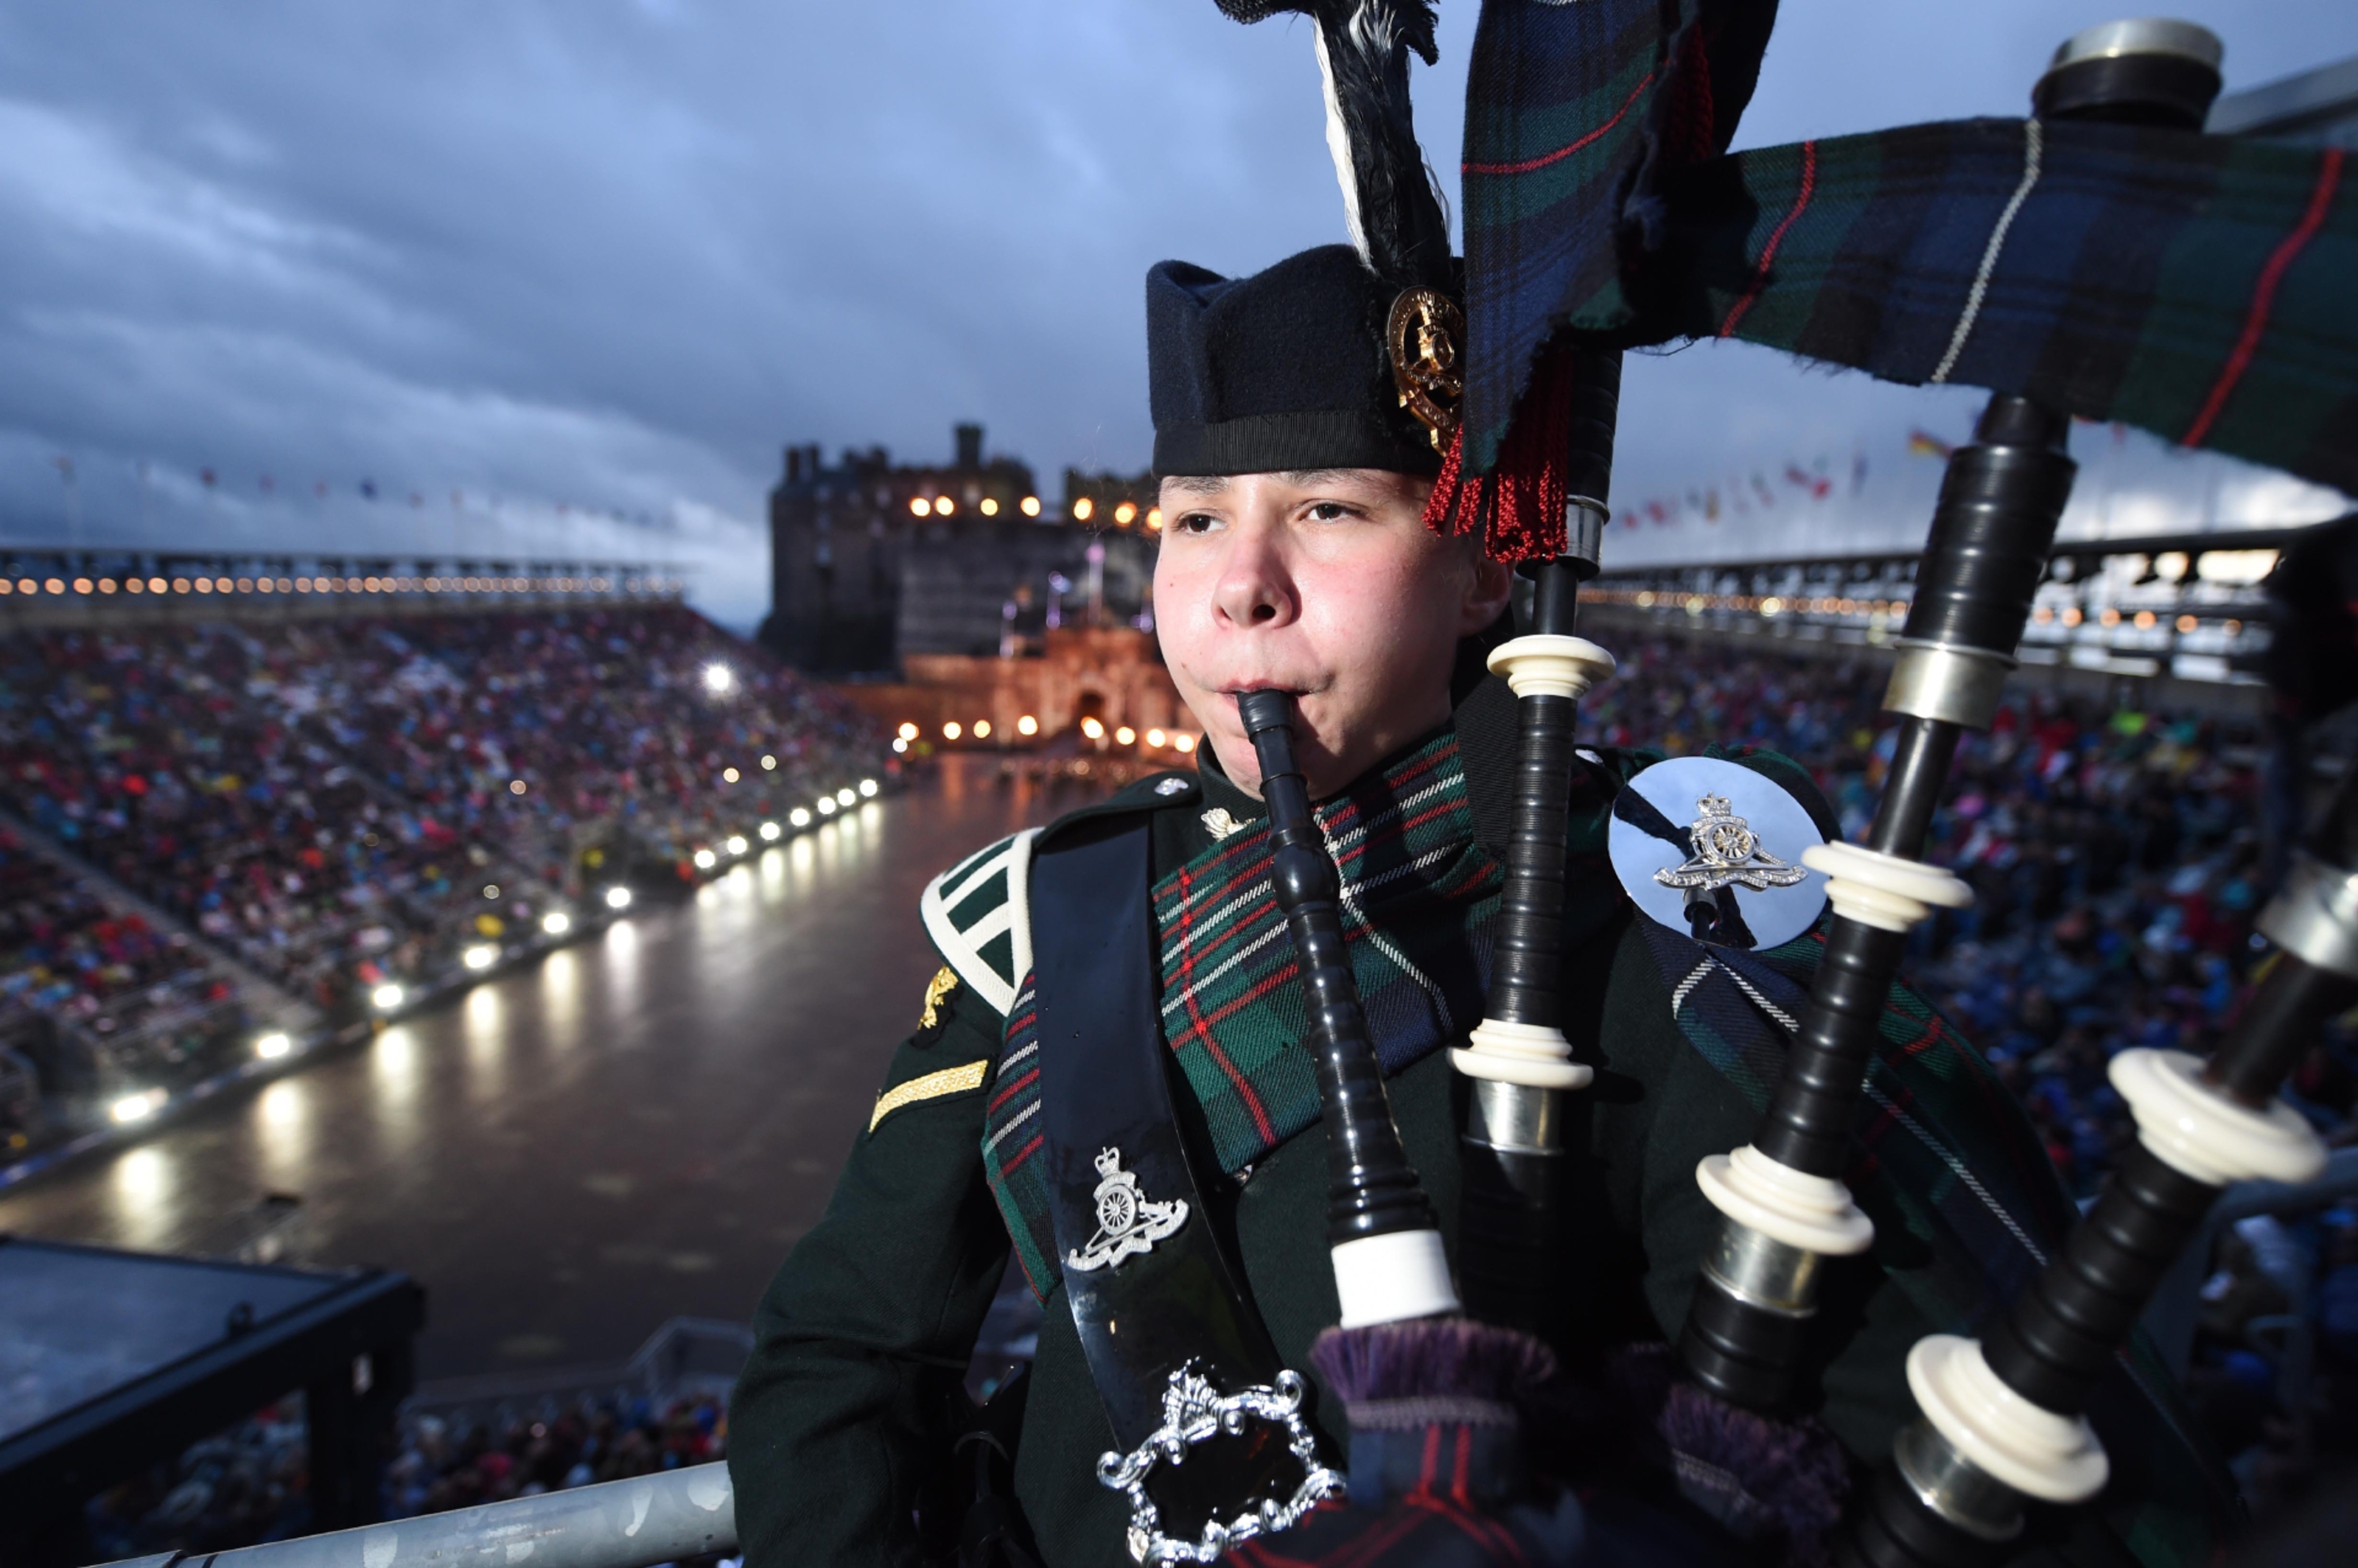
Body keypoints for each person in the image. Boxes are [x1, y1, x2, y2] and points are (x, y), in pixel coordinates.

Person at [724, 227, 2231, 1564]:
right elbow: (838, 1356)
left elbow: (1958, 1451)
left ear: (1487, 579)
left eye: (1329, 511)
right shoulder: (1049, 903)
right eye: (1193, 519)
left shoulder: (1661, 903)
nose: (1241, 584)